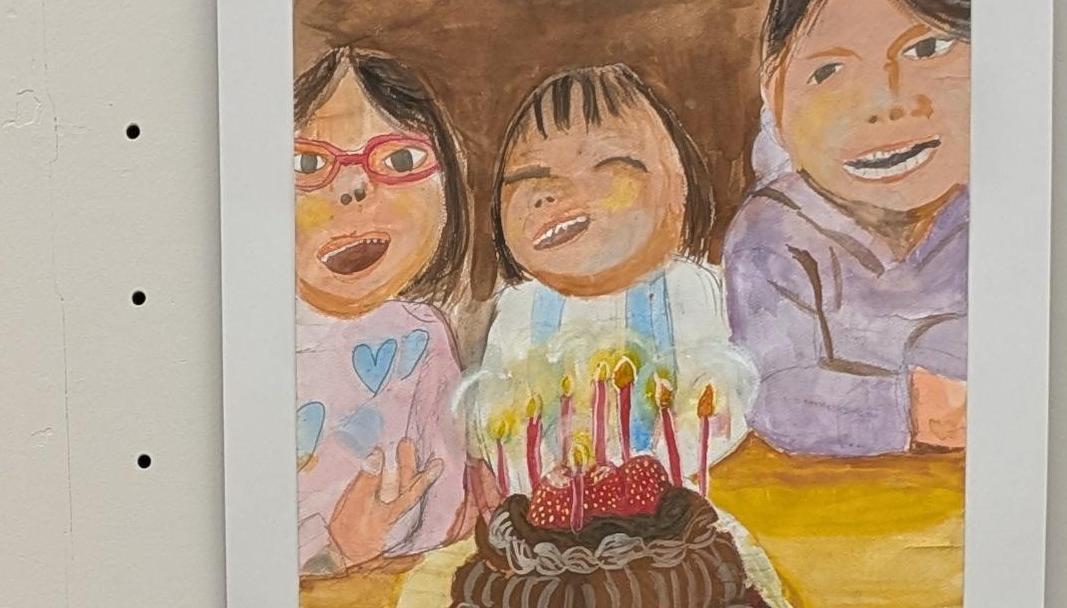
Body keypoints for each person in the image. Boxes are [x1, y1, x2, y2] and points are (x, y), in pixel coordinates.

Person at [725, 0, 974, 459]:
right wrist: (920, 408)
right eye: (829, 70)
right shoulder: (773, 233)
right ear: (775, 92)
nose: (882, 103)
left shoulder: (1008, 211)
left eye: (927, 48)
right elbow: (773, 394)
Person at [457, 59, 755, 492]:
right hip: (551, 511)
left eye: (607, 166)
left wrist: (639, 485)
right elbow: (497, 425)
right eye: (527, 177)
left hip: (674, 505)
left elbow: (723, 412)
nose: (549, 194)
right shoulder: (518, 307)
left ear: (678, 188)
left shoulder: (693, 290)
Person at [292, 47, 471, 576]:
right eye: (308, 163)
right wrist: (340, 553)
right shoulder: (254, 345)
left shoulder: (425, 335)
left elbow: (446, 509)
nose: (353, 188)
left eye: (399, 161)